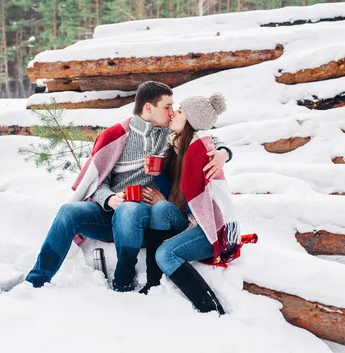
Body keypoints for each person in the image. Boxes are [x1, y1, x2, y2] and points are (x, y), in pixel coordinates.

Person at [23, 81, 232, 292]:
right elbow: (96, 181)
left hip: (147, 217)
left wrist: (223, 152)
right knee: (68, 212)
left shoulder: (168, 136)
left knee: (129, 209)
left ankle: (124, 277)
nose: (171, 112)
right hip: (111, 212)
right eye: (167, 107)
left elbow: (202, 134)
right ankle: (36, 280)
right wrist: (108, 198)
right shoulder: (116, 136)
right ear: (149, 108)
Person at [140, 92, 240, 314]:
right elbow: (183, 199)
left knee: (165, 254)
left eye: (181, 111)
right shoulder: (178, 146)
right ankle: (152, 283)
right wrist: (157, 174)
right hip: (192, 219)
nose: (174, 112)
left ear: (192, 121)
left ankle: (212, 309)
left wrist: (224, 153)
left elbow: (213, 142)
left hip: (212, 228)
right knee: (161, 208)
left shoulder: (201, 149)